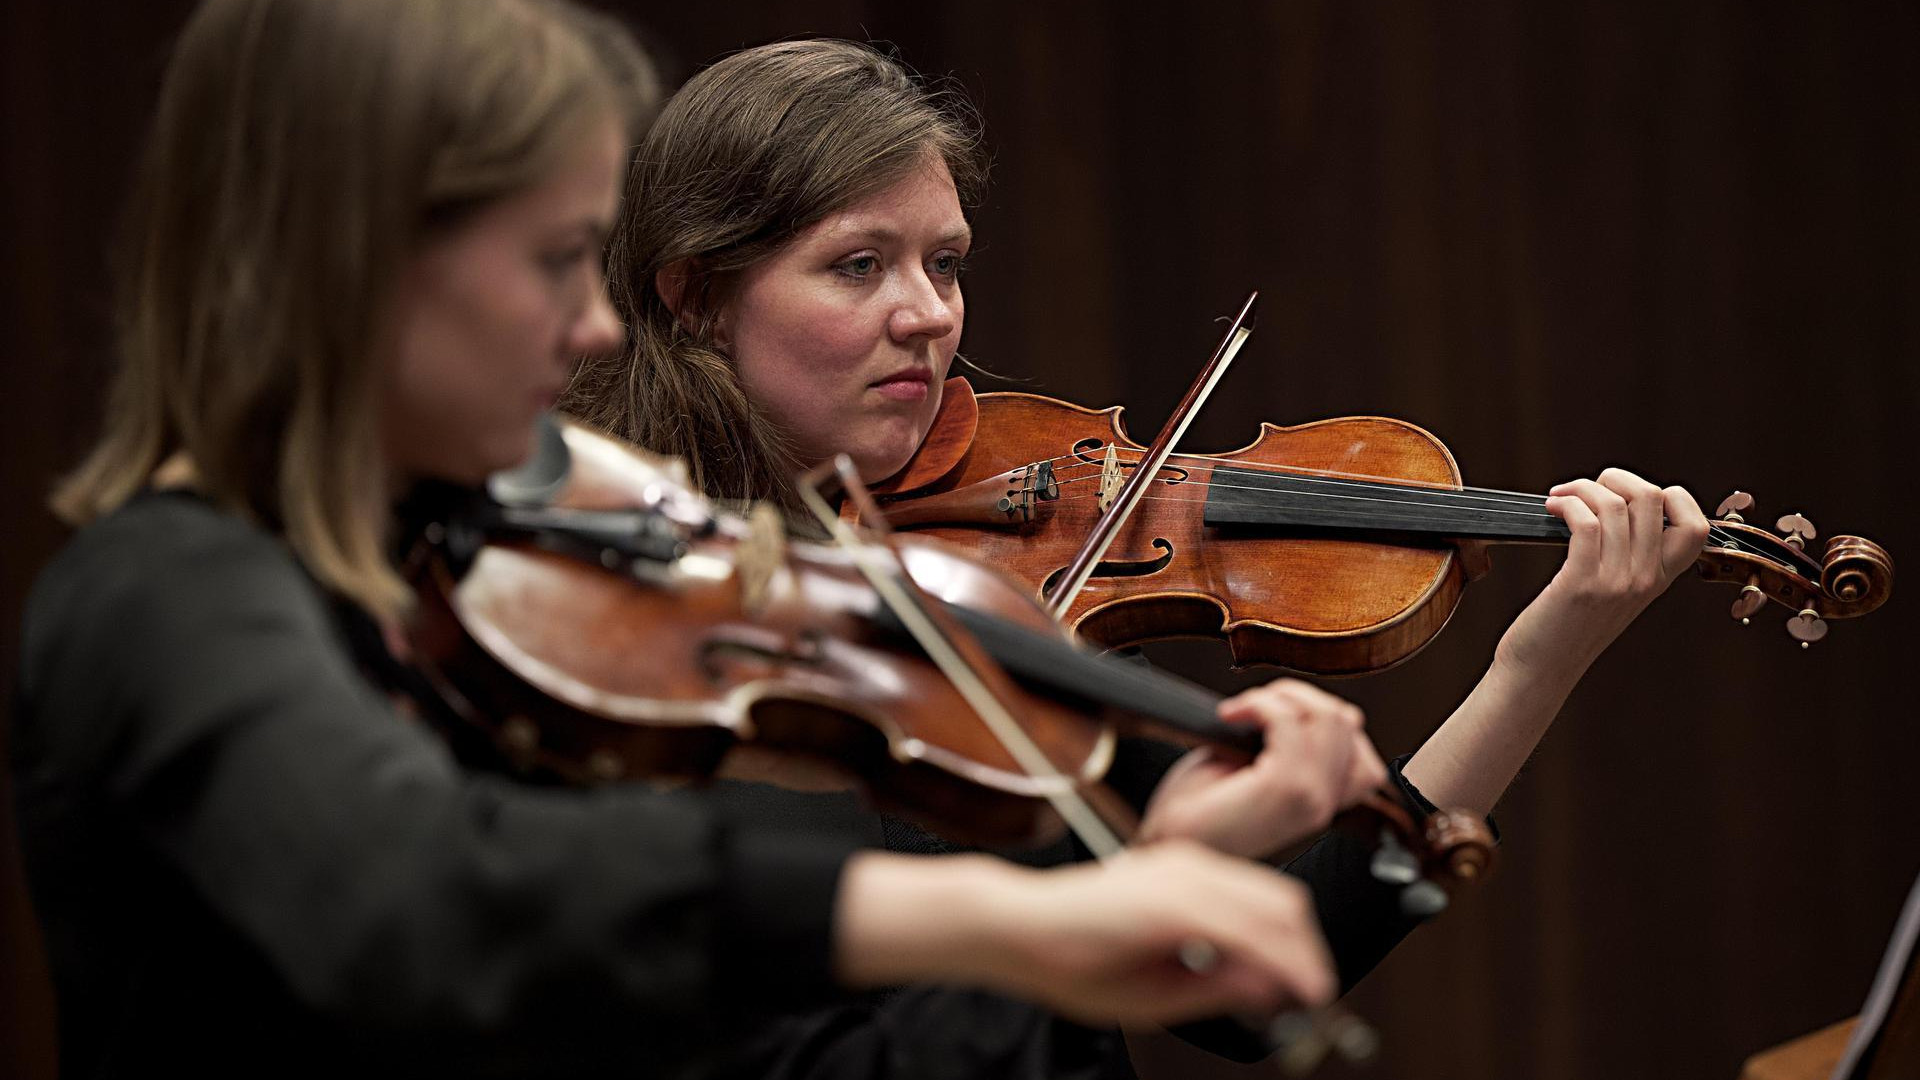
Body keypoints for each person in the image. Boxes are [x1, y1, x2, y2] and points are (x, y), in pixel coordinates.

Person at [9, 4, 1368, 1078]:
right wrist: (1004, 919)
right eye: (553, 259)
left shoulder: (456, 585)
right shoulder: (168, 597)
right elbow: (424, 901)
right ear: (352, 259)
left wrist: (1130, 870)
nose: (598, 326)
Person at [563, 33, 1714, 987]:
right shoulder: (609, 618)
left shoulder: (990, 611)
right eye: (860, 265)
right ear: (700, 296)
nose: (928, 315)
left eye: (946, 264)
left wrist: (1536, 663)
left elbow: (1271, 966)